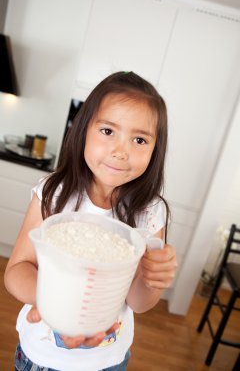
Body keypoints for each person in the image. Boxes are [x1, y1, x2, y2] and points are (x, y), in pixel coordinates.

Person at [4, 71, 177, 371]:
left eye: (139, 139)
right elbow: (17, 271)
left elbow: (138, 302)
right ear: (84, 129)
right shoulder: (54, 193)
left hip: (106, 361)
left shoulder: (149, 213)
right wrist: (56, 306)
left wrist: (152, 278)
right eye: (108, 131)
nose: (121, 151)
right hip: (43, 355)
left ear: (155, 149)